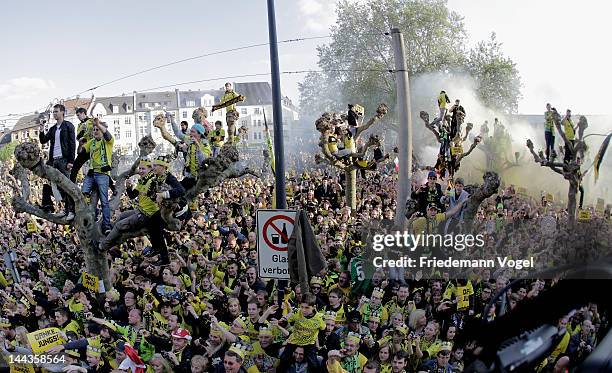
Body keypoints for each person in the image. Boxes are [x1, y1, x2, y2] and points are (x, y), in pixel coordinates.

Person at [38, 103, 76, 218]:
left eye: (56, 111)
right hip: (54, 160)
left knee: (67, 185)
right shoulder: (53, 129)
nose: (54, 114)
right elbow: (43, 140)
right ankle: (65, 209)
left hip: (64, 160)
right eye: (53, 112)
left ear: (62, 113)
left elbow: (72, 144)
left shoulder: (68, 126)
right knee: (58, 186)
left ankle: (71, 211)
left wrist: (71, 161)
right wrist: (41, 129)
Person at [81, 118, 114, 234]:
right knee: (83, 193)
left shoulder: (108, 142)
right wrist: (81, 142)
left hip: (103, 174)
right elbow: (82, 151)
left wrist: (99, 124)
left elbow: (108, 135)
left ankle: (106, 225)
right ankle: (91, 217)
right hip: (91, 173)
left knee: (104, 201)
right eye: (94, 129)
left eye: (98, 129)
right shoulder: (92, 142)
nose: (95, 131)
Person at [71, 107, 94, 182]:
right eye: (77, 115)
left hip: (92, 147)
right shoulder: (79, 125)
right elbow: (78, 137)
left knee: (96, 167)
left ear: (83, 113)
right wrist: (82, 132)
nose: (78, 117)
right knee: (75, 166)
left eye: (78, 115)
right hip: (84, 148)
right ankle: (72, 183)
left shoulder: (91, 121)